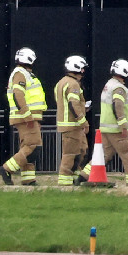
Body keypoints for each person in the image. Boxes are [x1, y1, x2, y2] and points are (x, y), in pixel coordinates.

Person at [1, 46, 47, 185]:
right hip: (26, 117)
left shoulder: (23, 74)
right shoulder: (20, 74)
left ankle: (28, 179)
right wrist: (28, 116)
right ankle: (7, 168)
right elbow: (18, 95)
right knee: (33, 146)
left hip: (28, 117)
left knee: (28, 146)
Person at [97, 58, 128, 188]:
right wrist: (123, 126)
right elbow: (118, 106)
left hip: (106, 128)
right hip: (117, 130)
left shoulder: (109, 84)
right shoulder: (119, 88)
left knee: (103, 155)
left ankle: (84, 176)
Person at [54, 55, 90, 186]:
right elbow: (72, 104)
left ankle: (74, 177)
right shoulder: (73, 84)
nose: (83, 72)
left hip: (69, 124)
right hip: (73, 125)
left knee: (81, 151)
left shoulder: (61, 83)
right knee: (70, 154)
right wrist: (83, 121)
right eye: (82, 69)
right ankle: (65, 181)